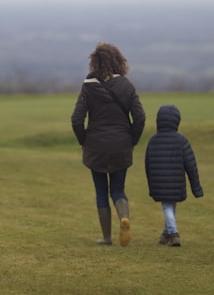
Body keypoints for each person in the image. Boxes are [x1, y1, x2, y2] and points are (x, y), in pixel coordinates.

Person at [71, 42, 146, 246]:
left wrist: (84, 141)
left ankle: (106, 237)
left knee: (101, 191)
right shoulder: (126, 85)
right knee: (118, 189)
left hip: (96, 146)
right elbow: (140, 117)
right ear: (118, 61)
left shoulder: (88, 86)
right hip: (121, 145)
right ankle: (124, 218)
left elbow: (77, 119)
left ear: (94, 63)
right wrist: (132, 140)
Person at [145, 104, 203, 247]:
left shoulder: (153, 140)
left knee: (168, 206)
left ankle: (170, 233)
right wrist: (196, 188)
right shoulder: (181, 140)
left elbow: (148, 164)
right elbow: (191, 165)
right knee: (169, 206)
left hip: (159, 182)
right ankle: (171, 233)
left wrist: (151, 185)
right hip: (177, 182)